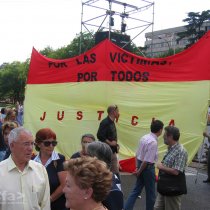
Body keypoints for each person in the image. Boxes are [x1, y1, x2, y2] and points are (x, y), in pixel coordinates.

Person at [0, 127, 50, 210]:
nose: (30, 148)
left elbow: (45, 205)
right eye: (26, 144)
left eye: (32, 144)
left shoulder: (40, 170)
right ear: (12, 145)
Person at [124, 119, 164, 210]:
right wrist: (139, 171)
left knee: (136, 190)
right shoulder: (153, 142)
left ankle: (126, 208)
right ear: (160, 130)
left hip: (140, 165)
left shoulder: (144, 137)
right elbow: (147, 160)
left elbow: (137, 154)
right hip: (148, 169)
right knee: (151, 194)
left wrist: (137, 168)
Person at [154, 126, 188, 210]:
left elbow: (176, 171)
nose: (163, 137)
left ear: (171, 136)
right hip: (165, 187)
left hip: (173, 189)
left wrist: (161, 167)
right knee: (157, 208)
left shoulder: (181, 151)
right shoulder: (170, 148)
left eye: (165, 135)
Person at [34, 128, 67, 210]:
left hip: (57, 206)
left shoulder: (60, 159)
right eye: (47, 143)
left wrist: (48, 200)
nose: (51, 146)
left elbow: (64, 185)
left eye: (54, 143)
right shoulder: (32, 161)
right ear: (38, 144)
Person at [87, 141, 124, 210]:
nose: (83, 159)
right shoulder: (109, 177)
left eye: (87, 156)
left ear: (96, 159)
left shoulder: (105, 184)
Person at [97, 104, 120, 177]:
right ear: (113, 112)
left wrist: (116, 145)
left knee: (115, 174)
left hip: (112, 152)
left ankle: (115, 187)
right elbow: (99, 135)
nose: (119, 113)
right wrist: (110, 143)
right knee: (106, 173)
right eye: (117, 111)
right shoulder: (105, 122)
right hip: (106, 152)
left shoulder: (112, 122)